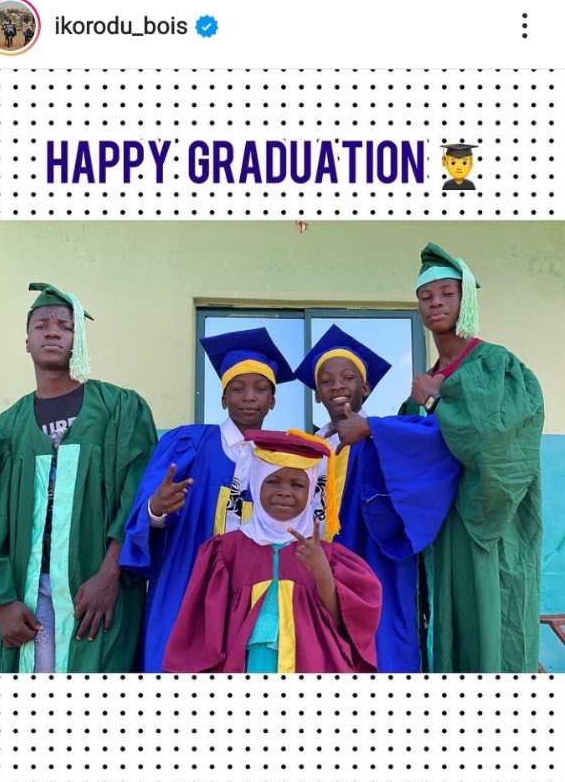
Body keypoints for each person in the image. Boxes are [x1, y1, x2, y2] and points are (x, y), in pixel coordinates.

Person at [0, 283, 158, 672]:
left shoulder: (120, 409)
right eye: (42, 325)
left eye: (65, 326)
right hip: (29, 597)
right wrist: (3, 604)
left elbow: (137, 497)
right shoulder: (8, 427)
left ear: (78, 339)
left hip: (99, 591)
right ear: (27, 342)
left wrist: (109, 576)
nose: (53, 332)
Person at [399, 242, 544, 672]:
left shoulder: (495, 366)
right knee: (449, 633)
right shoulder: (425, 383)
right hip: (444, 533)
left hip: (492, 525)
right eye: (426, 296)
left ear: (466, 301)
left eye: (447, 293)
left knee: (496, 630)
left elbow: (498, 445)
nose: (435, 303)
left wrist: (435, 403)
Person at [121, 328, 294, 671]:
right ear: (223, 399)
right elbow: (148, 508)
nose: (249, 397)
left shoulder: (281, 458)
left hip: (251, 588)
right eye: (237, 389)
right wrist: (156, 509)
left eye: (260, 389)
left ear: (273, 401)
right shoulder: (188, 442)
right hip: (186, 579)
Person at [293, 325, 462, 672]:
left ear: (366, 387)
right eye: (326, 381)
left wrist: (372, 429)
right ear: (317, 395)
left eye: (348, 377)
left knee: (382, 648)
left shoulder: (386, 434)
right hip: (316, 563)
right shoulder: (305, 450)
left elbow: (437, 439)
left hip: (377, 562)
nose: (337, 385)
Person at [163, 430, 381, 674]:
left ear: (311, 491)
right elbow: (206, 631)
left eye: (298, 484)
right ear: (256, 483)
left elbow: (343, 625)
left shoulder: (328, 556)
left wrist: (322, 574)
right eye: (273, 481)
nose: (285, 491)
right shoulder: (226, 551)